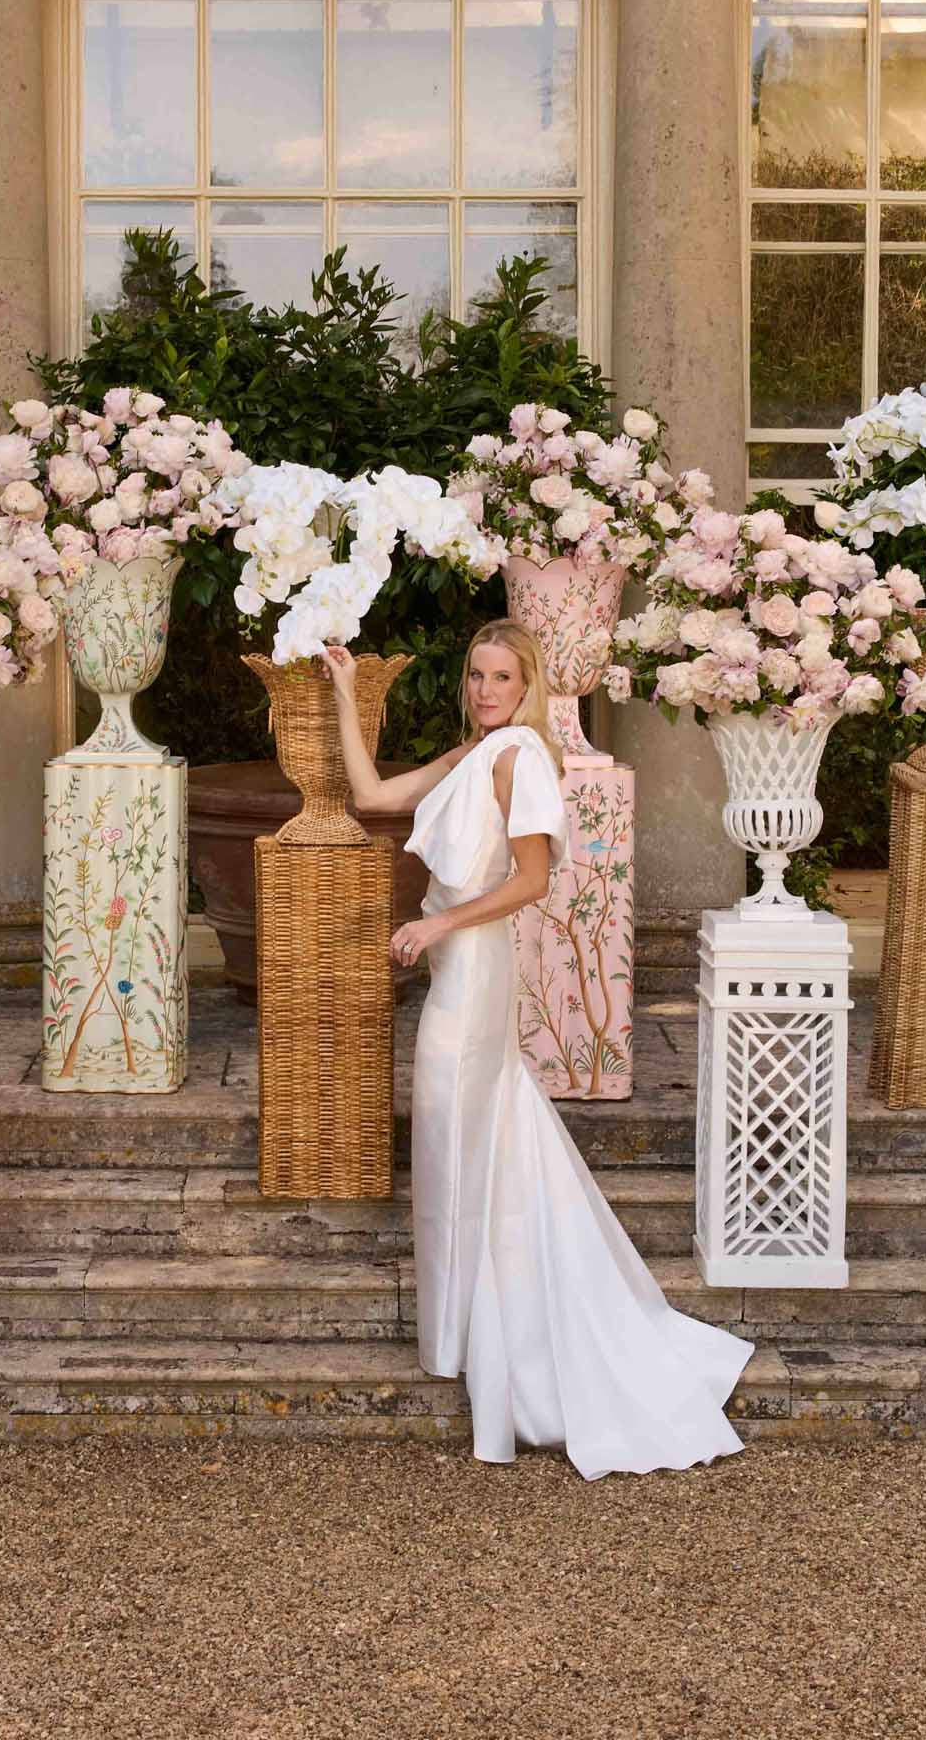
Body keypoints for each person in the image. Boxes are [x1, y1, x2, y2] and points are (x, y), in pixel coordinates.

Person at [322, 621, 751, 1479]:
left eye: (501, 677)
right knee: (457, 1139)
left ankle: (494, 1333)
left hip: (474, 968)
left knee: (455, 1130)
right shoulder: (473, 752)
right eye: (476, 675)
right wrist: (344, 692)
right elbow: (370, 797)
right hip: (457, 962)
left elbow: (533, 881)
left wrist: (439, 919)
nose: (485, 690)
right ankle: (461, 1334)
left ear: (528, 686)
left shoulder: (521, 757)